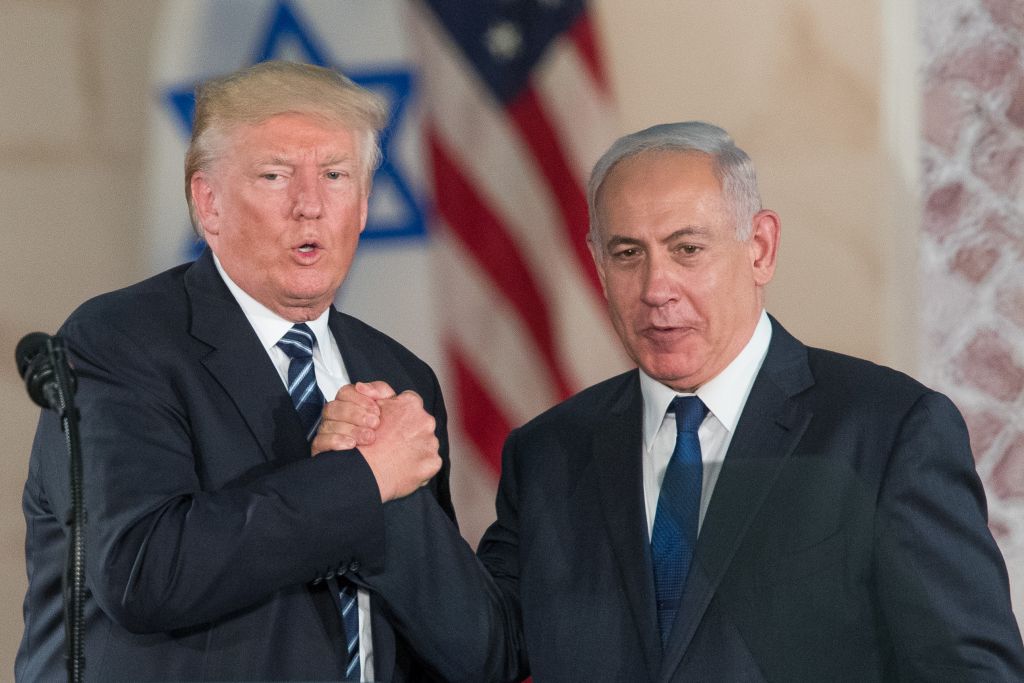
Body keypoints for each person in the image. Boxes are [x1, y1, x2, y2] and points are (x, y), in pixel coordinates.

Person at [334, 121, 1024, 681]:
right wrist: (379, 492)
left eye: (687, 248)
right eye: (628, 254)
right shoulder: (548, 453)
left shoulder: (887, 430)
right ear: (598, 266)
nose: (657, 286)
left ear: (759, 248)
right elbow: (485, 652)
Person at [16, 60, 452, 682]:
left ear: (361, 206)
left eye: (335, 176)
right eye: (275, 176)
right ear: (208, 202)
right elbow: (144, 571)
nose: (309, 206)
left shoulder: (399, 374)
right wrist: (360, 479)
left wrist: (393, 499)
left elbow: (453, 642)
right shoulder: (119, 342)